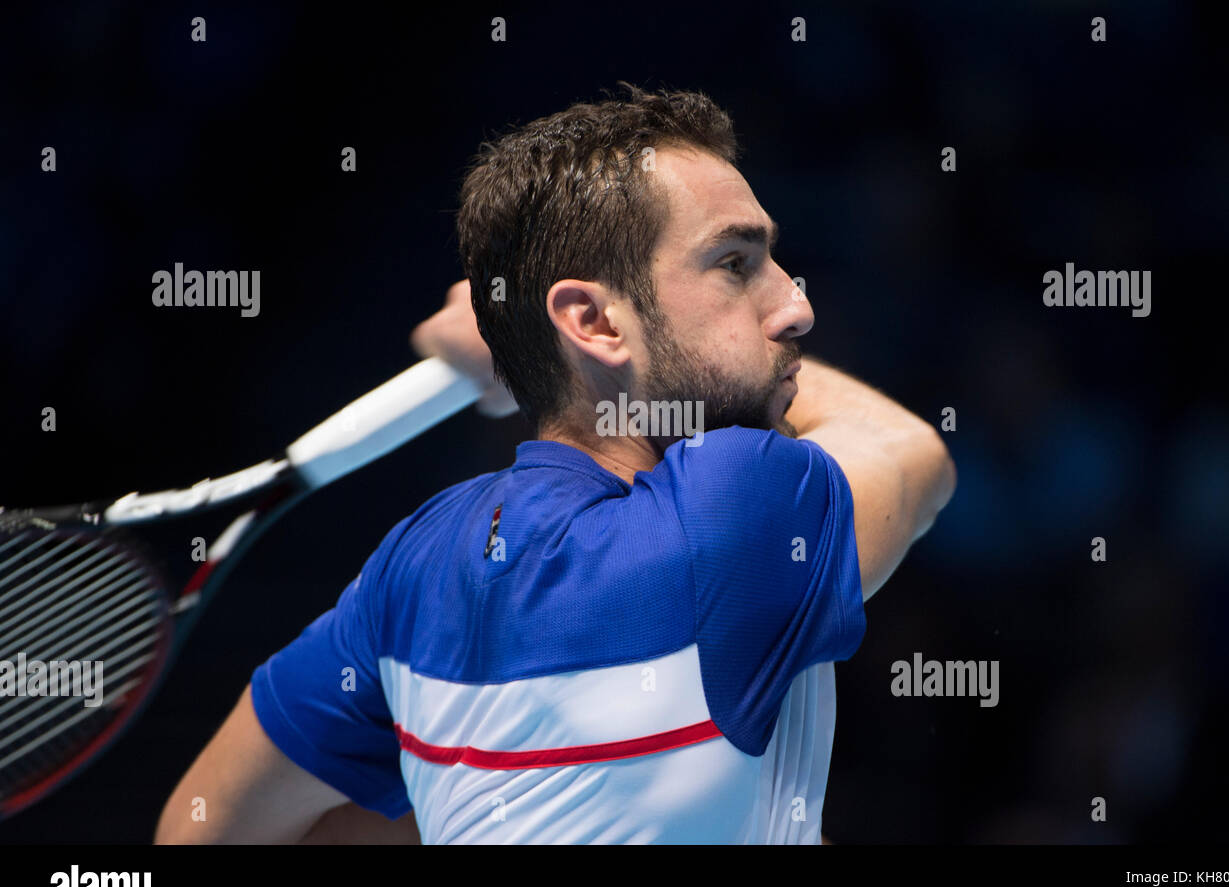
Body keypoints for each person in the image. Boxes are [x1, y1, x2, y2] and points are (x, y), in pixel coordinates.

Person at [155, 84, 955, 844]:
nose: (796, 304)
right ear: (593, 321)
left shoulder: (411, 570)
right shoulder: (740, 505)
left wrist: (529, 349)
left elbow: (199, 827)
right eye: (735, 264)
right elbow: (905, 448)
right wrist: (504, 348)